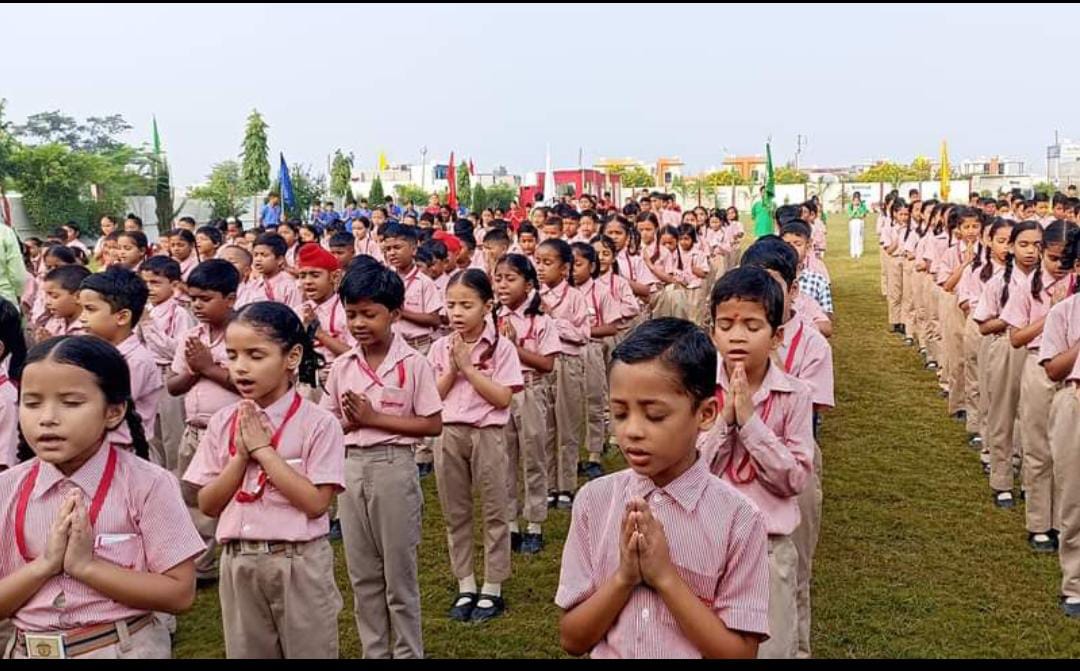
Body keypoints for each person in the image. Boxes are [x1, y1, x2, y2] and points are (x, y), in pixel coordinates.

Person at [556, 318, 770, 659]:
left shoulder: (739, 520)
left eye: (654, 415)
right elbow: (572, 639)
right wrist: (623, 578)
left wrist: (665, 577)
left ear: (706, 413)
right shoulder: (593, 502)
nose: (632, 431)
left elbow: (741, 653)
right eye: (620, 414)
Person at [0, 336, 203, 659]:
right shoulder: (6, 489)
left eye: (71, 403)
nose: (47, 418)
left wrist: (86, 567)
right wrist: (44, 566)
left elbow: (179, 593)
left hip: (121, 648)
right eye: (32, 403)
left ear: (114, 412)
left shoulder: (148, 484)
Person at [182, 302, 345, 658]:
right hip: (239, 560)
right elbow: (207, 504)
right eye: (232, 356)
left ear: (292, 357)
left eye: (256, 356)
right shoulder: (224, 422)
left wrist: (264, 451)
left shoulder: (319, 423)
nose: (240, 367)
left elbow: (317, 503)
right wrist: (240, 457)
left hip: (297, 561)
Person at [322, 263, 443, 658]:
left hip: (394, 467)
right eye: (351, 314)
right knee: (362, 576)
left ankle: (408, 652)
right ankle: (374, 651)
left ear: (394, 314)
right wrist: (350, 420)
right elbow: (328, 426)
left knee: (399, 577)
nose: (359, 323)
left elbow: (432, 424)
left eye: (369, 314)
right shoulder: (342, 366)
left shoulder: (413, 364)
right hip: (351, 468)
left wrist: (374, 418)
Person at [700, 266, 814, 658]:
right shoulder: (698, 389)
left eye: (752, 326)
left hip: (768, 547)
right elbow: (686, 470)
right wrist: (725, 421)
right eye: (726, 325)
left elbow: (794, 478)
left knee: (771, 645)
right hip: (705, 542)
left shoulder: (794, 395)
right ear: (712, 331)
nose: (737, 336)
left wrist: (750, 424)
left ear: (776, 336)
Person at [429, 269, 523, 623]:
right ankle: (465, 581)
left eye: (466, 305)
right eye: (451, 304)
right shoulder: (440, 347)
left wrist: (468, 369)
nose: (457, 312)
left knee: (495, 508)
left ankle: (493, 585)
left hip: (488, 433)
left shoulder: (502, 347)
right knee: (455, 510)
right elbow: (432, 397)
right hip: (449, 432)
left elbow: (503, 398)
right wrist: (453, 369)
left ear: (487, 306)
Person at [1002, 220, 1077, 551]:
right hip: (1039, 365)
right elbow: (1016, 337)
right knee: (1038, 448)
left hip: (1073, 373)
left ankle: (1063, 522)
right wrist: (1052, 313)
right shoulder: (1028, 287)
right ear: (1043, 251)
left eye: (1067, 260)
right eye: (1053, 258)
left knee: (1068, 454)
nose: (1059, 266)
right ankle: (1038, 522)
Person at [167, 259, 243, 584]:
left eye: (206, 298)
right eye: (193, 298)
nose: (197, 305)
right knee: (193, 493)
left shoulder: (242, 335)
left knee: (231, 492)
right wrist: (195, 369)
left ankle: (235, 551)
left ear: (230, 298)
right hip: (194, 430)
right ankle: (201, 563)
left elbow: (250, 384)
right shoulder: (192, 336)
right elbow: (173, 385)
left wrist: (209, 367)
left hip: (230, 430)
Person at [493, 253, 559, 554]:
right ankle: (509, 522)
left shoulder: (540, 320)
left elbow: (547, 364)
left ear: (528, 284)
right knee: (503, 458)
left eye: (510, 279)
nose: (503, 285)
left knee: (534, 456)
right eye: (498, 279)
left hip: (530, 390)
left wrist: (514, 348)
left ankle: (534, 522)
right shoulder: (490, 318)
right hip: (499, 392)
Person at [973, 221, 1039, 508]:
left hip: (1039, 351)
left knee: (1033, 417)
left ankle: (1030, 480)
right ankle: (1001, 478)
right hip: (1006, 347)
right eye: (1023, 244)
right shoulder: (999, 282)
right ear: (1011, 247)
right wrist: (1012, 319)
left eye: (1037, 245)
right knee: (1003, 411)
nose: (1031, 251)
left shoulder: (1048, 283)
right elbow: (983, 325)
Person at [78, 268, 164, 445]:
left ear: (122, 317)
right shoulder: (94, 353)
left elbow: (103, 408)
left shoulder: (135, 361)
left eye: (90, 309)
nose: (82, 318)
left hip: (125, 449)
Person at [536, 239, 589, 510]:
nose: (541, 268)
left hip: (568, 362)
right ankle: (548, 484)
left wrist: (552, 320)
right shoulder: (534, 296)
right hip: (541, 364)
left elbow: (582, 334)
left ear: (565, 268)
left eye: (548, 263)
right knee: (545, 426)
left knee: (567, 425)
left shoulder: (575, 297)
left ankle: (567, 484)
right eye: (538, 262)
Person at [138, 256, 196, 472]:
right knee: (150, 430)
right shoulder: (145, 309)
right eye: (145, 282)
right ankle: (156, 473)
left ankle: (176, 476)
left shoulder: (179, 314)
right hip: (148, 373)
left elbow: (176, 351)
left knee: (173, 430)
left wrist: (148, 325)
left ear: (174, 284)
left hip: (169, 373)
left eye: (155, 283)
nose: (149, 288)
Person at [571, 242, 622, 479]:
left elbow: (612, 326)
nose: (572, 270)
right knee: (569, 406)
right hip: (566, 353)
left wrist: (581, 332)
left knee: (595, 400)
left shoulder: (601, 292)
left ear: (591, 267)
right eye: (569, 265)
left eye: (578, 264)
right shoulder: (563, 293)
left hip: (591, 349)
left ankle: (593, 455)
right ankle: (571, 457)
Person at [238, 233, 303, 316]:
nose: (258, 259)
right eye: (255, 255)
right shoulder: (254, 284)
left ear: (280, 260)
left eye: (264, 255)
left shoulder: (289, 286)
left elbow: (295, 314)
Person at [847, 192, 869, 259]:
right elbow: (850, 216)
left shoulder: (862, 205)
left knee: (859, 237)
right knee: (853, 237)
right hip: (852, 222)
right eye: (855, 200)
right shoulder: (850, 206)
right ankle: (853, 252)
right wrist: (854, 211)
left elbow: (862, 215)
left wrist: (859, 209)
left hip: (859, 222)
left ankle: (859, 252)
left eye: (857, 200)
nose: (856, 201)